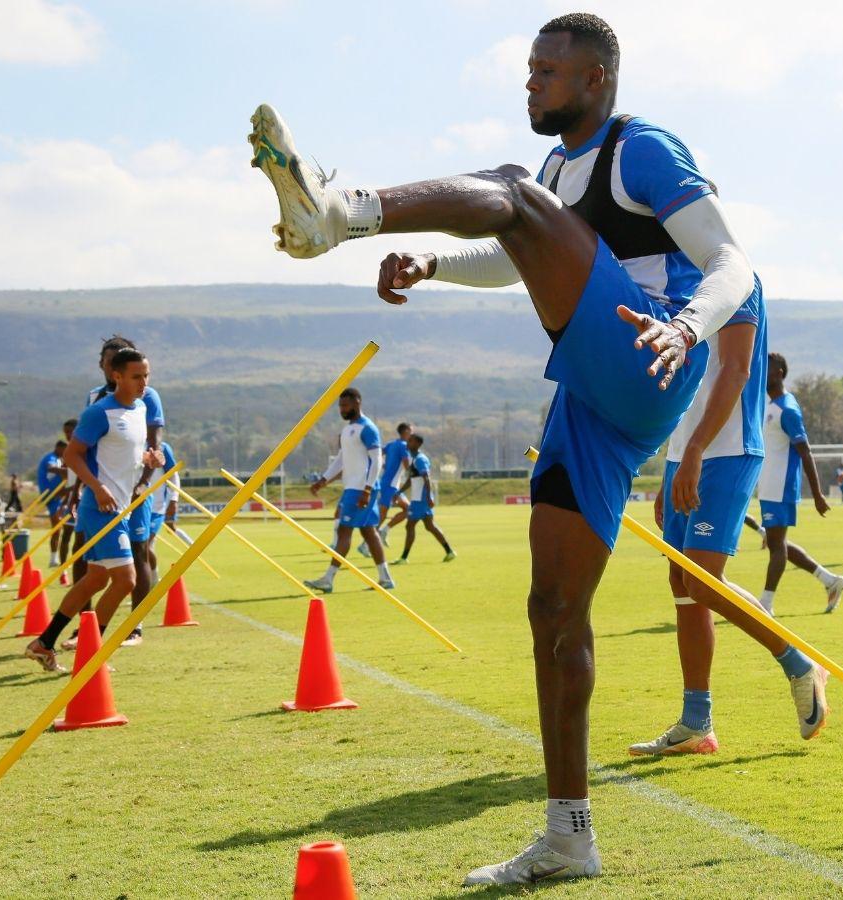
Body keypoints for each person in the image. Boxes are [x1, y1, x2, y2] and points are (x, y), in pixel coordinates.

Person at [250, 12, 754, 884]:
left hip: (647, 354)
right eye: (528, 70)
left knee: (514, 188)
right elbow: (519, 255)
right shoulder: (563, 168)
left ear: (595, 79)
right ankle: (569, 836)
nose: (530, 83)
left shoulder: (644, 150)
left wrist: (685, 327)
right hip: (591, 401)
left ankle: (340, 212)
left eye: (546, 72)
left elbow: (735, 265)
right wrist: (434, 267)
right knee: (552, 613)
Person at [628, 306, 830, 762]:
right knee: (683, 586)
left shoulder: (734, 276)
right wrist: (671, 462)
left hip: (727, 448)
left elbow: (737, 369)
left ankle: (801, 665)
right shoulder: (679, 285)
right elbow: (682, 383)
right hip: (687, 452)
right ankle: (696, 722)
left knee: (701, 578)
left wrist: (695, 449)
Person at [25, 349, 162, 672]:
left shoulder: (141, 408)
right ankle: (91, 652)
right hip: (101, 507)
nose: (143, 383)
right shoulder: (100, 412)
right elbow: (73, 456)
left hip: (123, 507)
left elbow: (126, 454)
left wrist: (148, 460)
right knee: (126, 580)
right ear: (116, 376)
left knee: (96, 580)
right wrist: (97, 488)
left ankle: (43, 643)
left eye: (146, 375)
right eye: (136, 376)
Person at [63, 335, 166, 649]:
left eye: (112, 361)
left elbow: (152, 444)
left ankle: (134, 626)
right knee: (84, 556)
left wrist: (142, 482)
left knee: (137, 556)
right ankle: (85, 625)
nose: (107, 368)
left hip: (134, 490)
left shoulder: (148, 397)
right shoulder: (96, 400)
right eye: (106, 362)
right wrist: (82, 488)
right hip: (100, 493)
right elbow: (85, 449)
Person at [755, 353, 843, 615]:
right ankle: (831, 581)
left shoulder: (788, 409)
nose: (762, 372)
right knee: (776, 544)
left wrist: (817, 494)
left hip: (781, 485)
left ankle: (766, 604)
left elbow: (805, 451)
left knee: (776, 546)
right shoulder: (771, 406)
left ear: (780, 372)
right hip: (769, 485)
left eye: (768, 368)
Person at [302, 388, 394, 592]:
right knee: (369, 532)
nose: (342, 410)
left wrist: (368, 489)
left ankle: (328, 578)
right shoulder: (346, 430)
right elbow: (341, 460)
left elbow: (377, 460)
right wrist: (323, 480)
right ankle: (385, 578)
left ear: (357, 403)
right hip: (352, 487)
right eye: (340, 406)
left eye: (345, 405)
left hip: (362, 489)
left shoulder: (368, 428)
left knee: (344, 531)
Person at [391, 434, 456, 564]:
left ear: (417, 444)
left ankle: (404, 558)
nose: (407, 443)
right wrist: (399, 491)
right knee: (430, 526)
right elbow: (411, 480)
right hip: (419, 499)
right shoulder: (413, 459)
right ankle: (449, 552)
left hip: (420, 500)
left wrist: (428, 497)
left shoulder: (420, 459)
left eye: (410, 441)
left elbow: (427, 478)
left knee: (410, 526)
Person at [362, 421, 413, 556]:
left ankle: (384, 531)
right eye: (411, 431)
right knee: (382, 515)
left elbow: (378, 453)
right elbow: (407, 465)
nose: (412, 434)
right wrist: (416, 473)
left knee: (408, 509)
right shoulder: (403, 445)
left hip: (391, 485)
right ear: (406, 432)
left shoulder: (391, 444)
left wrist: (384, 464)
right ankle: (365, 544)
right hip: (390, 485)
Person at [145, 441, 180, 577]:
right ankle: (146, 584)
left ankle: (153, 579)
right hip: (133, 506)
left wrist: (174, 499)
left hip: (157, 507)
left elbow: (173, 474)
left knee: (144, 546)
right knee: (140, 548)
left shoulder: (163, 447)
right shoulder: (129, 442)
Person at [36, 440, 69, 566]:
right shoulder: (51, 458)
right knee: (57, 527)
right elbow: (51, 468)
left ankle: (55, 558)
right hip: (50, 495)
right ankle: (54, 558)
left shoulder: (59, 460)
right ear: (59, 448)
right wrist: (66, 471)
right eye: (65, 450)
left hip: (58, 495)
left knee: (59, 528)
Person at [56, 418, 79, 583]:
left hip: (84, 500)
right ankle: (63, 572)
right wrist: (64, 500)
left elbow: (84, 478)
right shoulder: (68, 451)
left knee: (81, 540)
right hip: (72, 501)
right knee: (66, 537)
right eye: (65, 433)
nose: (67, 435)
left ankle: (82, 574)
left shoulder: (85, 449)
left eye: (70, 432)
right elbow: (72, 479)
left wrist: (71, 490)